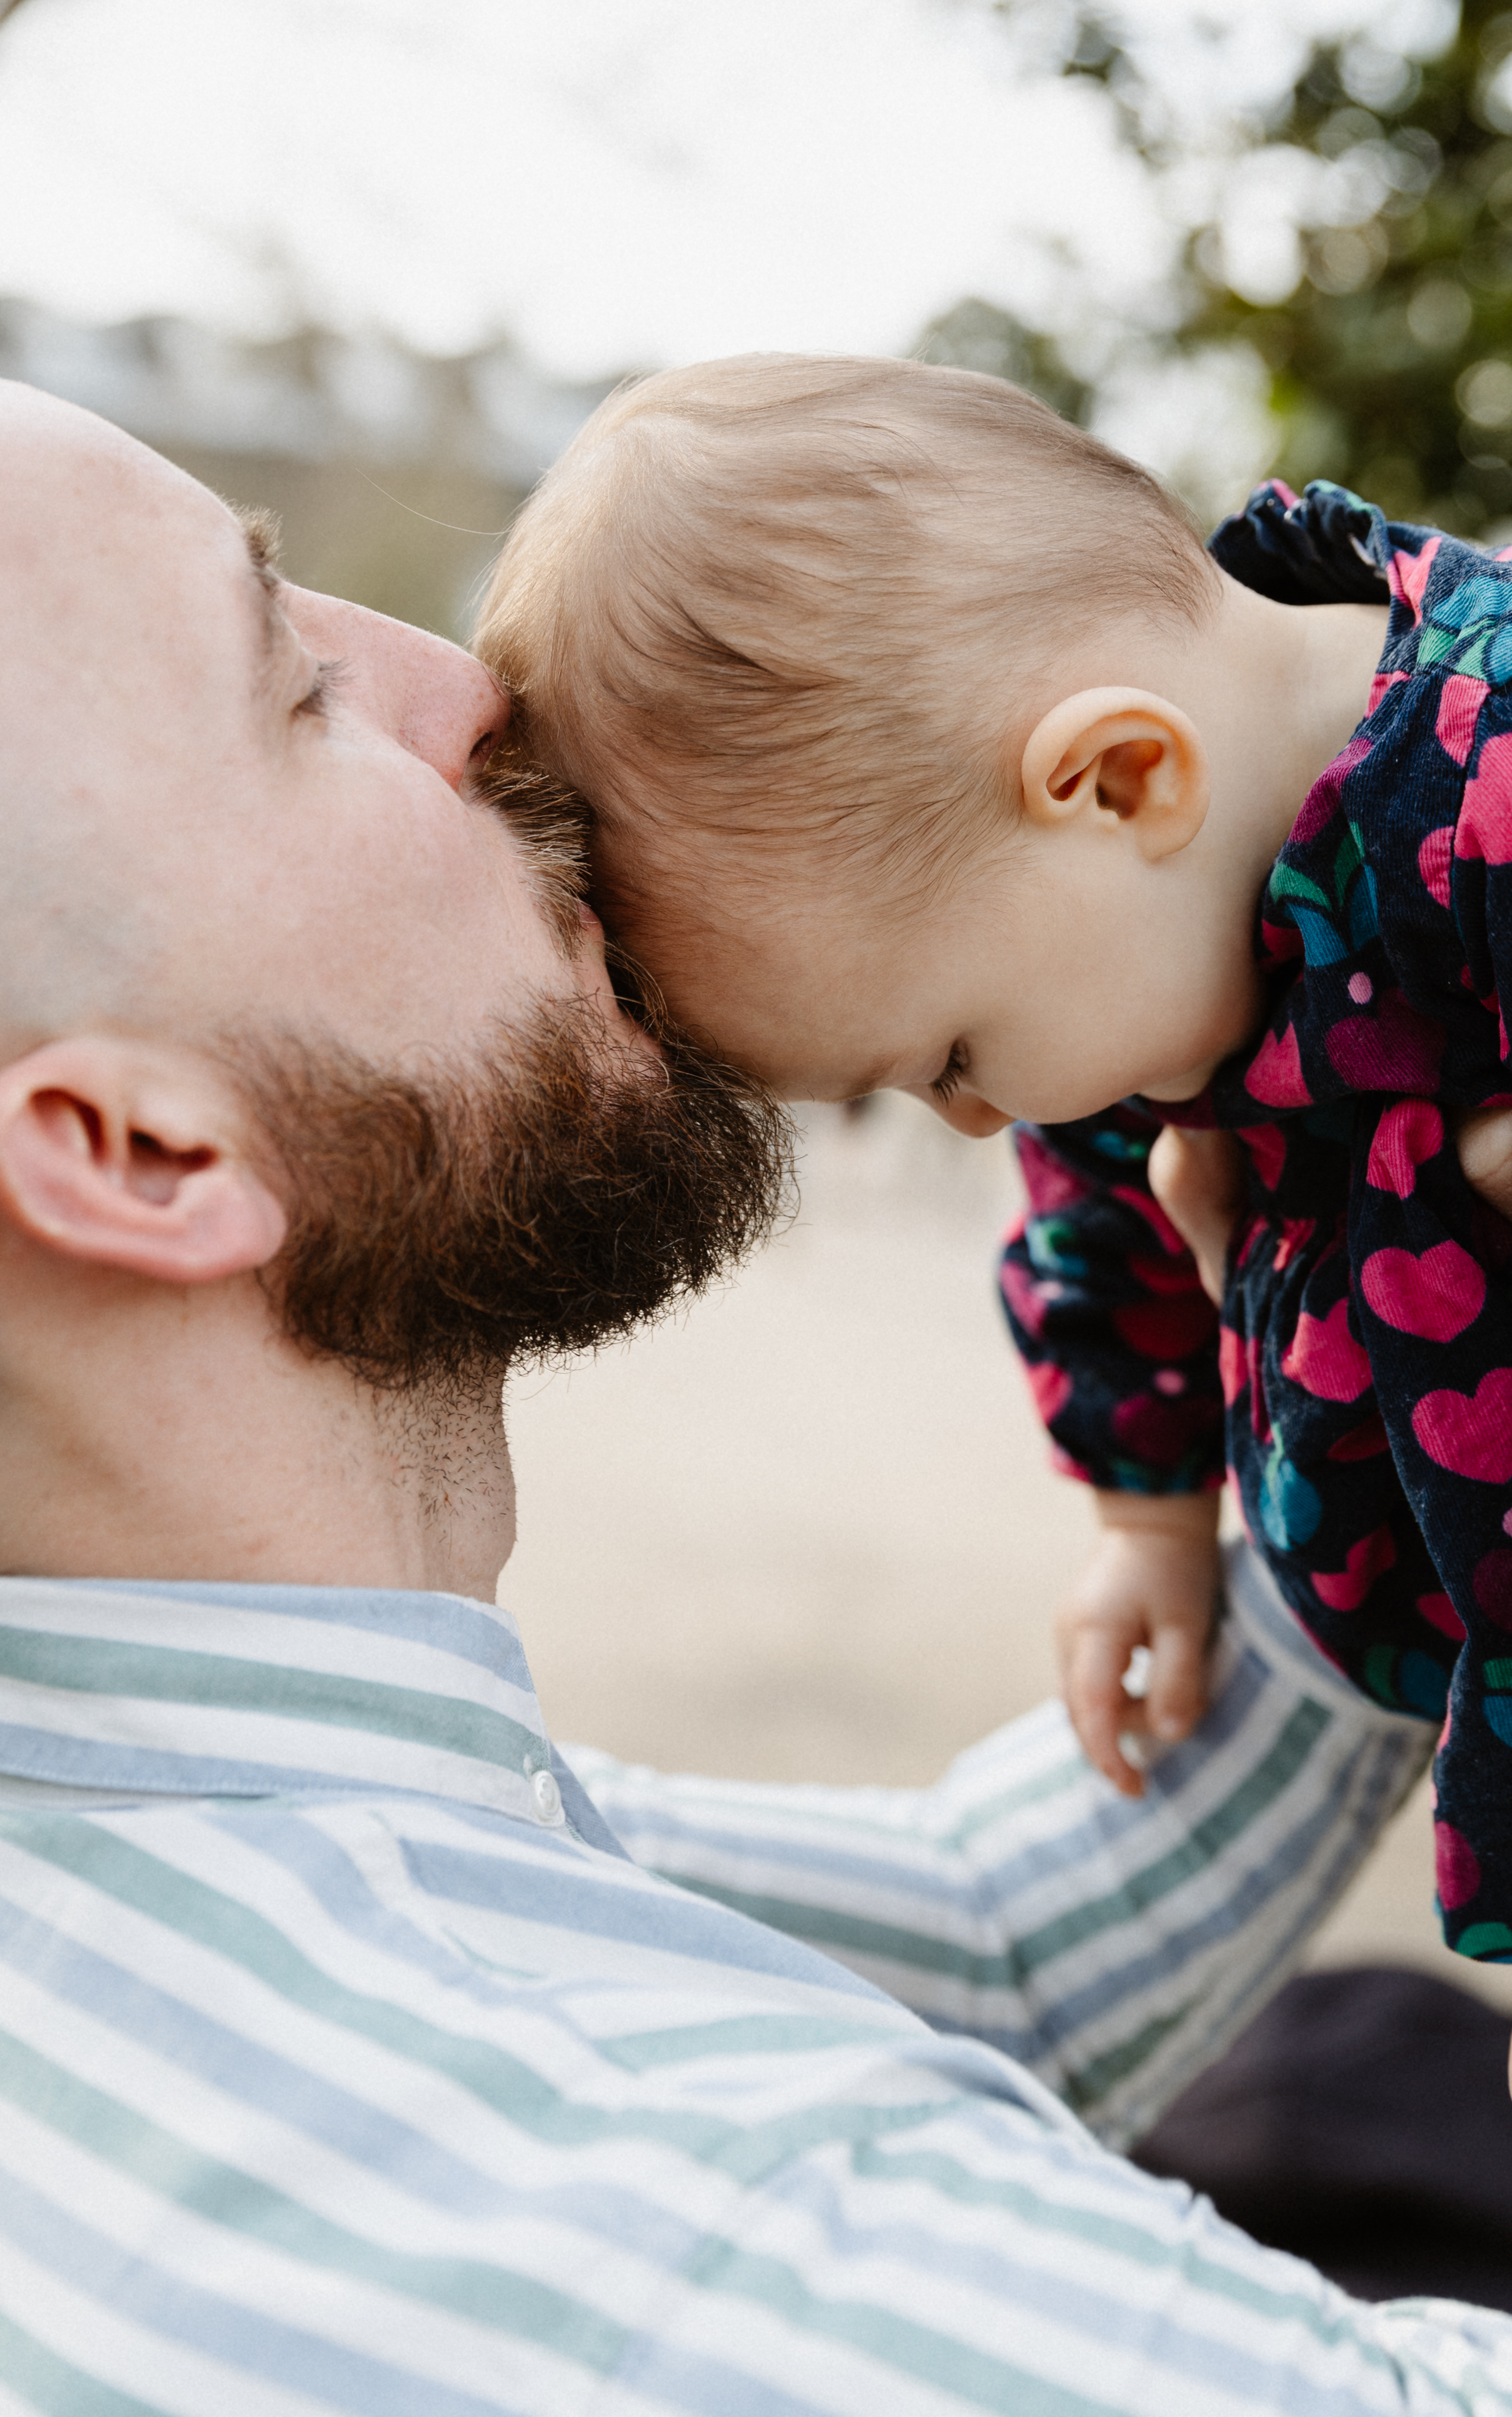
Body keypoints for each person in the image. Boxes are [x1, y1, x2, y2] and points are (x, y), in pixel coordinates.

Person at [0, 363, 1500, 2417]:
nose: (471, 696)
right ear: (141, 1157)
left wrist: (1369, 1347)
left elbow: (995, 1945)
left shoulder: (83, 1794)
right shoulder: (669, 2246)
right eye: (294, 684)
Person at [473, 350, 1512, 1964]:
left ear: (1116, 778)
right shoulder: (1134, 932)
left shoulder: (1489, 790)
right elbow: (1094, 1225)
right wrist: (1148, 1521)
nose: (979, 1121)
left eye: (951, 1056)